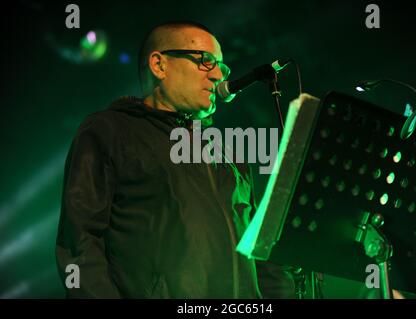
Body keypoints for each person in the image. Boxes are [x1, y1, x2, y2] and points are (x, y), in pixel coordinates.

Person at [55, 20, 296, 298]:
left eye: (222, 66)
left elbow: (260, 252)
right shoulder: (109, 131)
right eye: (205, 61)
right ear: (159, 65)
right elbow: (80, 244)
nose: (218, 75)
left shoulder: (227, 150)